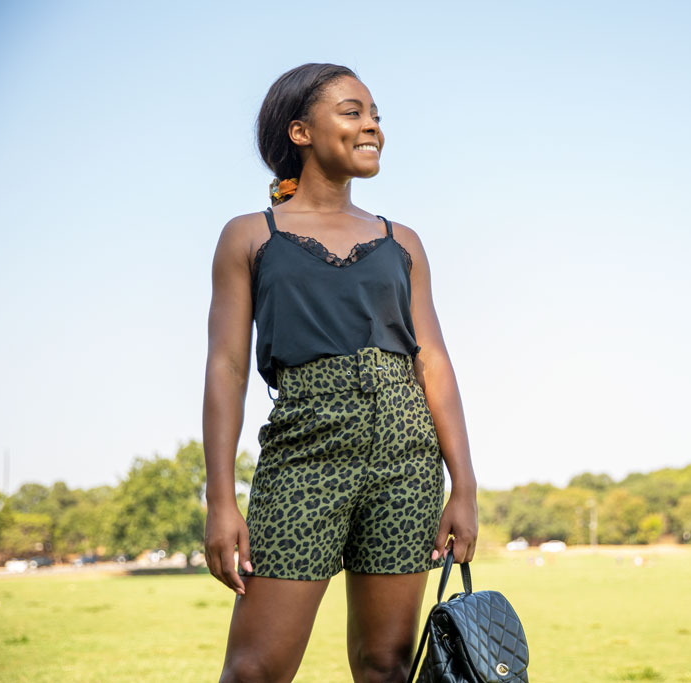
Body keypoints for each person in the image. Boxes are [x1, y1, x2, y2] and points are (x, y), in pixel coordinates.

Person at [202, 63, 479, 683]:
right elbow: (225, 367)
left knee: (384, 666)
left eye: (376, 115)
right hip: (306, 452)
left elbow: (432, 360)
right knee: (254, 670)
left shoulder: (400, 241)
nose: (372, 125)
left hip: (407, 461)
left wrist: (463, 484)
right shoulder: (251, 236)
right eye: (353, 112)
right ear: (300, 131)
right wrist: (221, 499)